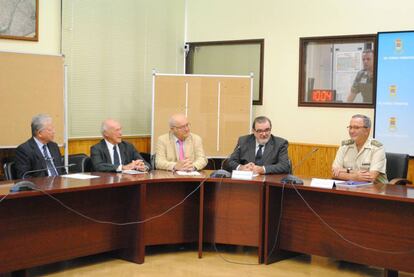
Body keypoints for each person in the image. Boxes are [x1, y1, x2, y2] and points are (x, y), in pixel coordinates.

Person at [224, 116, 290, 175]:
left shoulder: (280, 143)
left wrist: (262, 169)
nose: (264, 134)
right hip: (247, 182)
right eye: (259, 131)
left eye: (267, 130)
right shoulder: (243, 141)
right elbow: (230, 162)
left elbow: (285, 166)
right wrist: (241, 167)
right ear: (253, 131)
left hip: (269, 183)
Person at [332, 114, 387, 183]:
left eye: (356, 128)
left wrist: (345, 171)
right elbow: (334, 173)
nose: (351, 131)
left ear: (367, 130)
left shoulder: (377, 148)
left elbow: (371, 177)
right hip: (350, 187)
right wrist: (354, 177)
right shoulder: (344, 146)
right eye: (350, 127)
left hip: (375, 189)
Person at [15, 114, 66, 178]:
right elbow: (24, 176)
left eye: (53, 129)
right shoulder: (24, 150)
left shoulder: (54, 146)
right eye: (50, 130)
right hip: (41, 186)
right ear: (39, 133)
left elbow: (62, 171)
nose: (54, 132)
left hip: (60, 185)